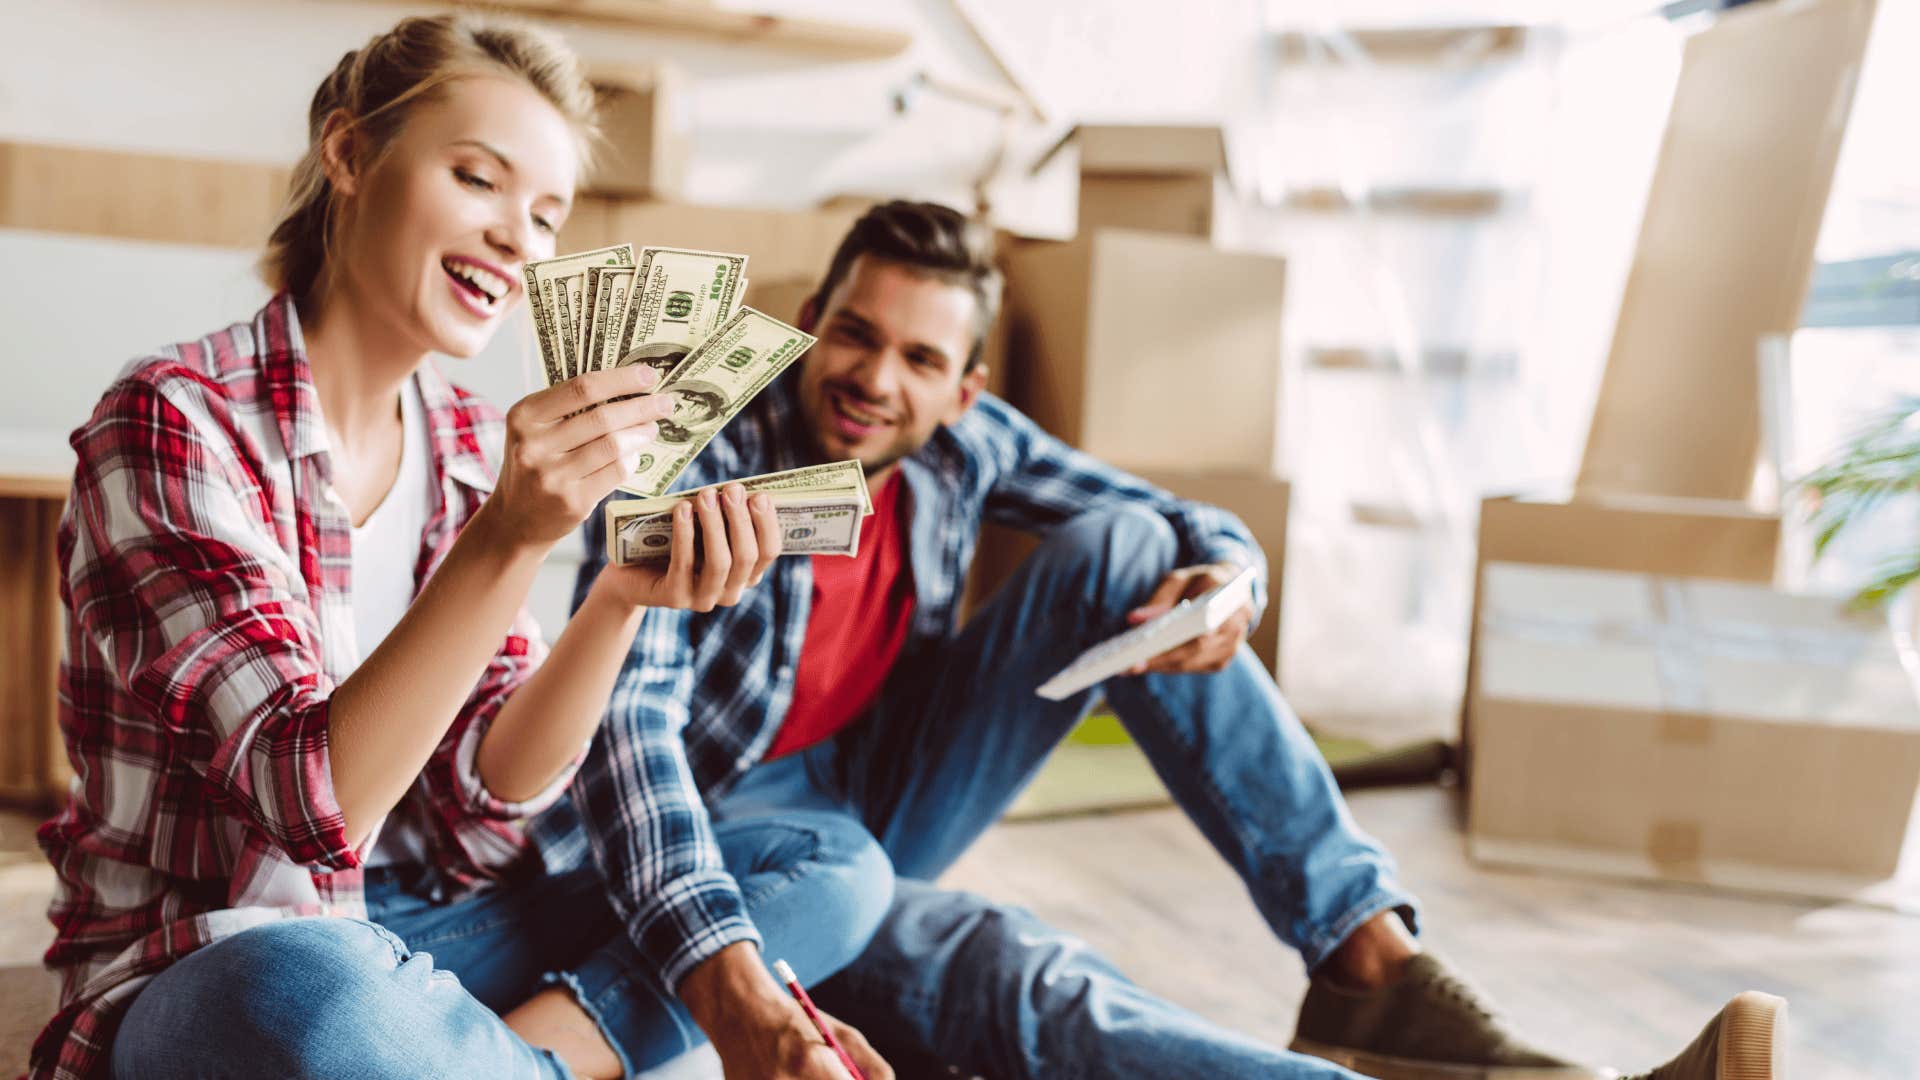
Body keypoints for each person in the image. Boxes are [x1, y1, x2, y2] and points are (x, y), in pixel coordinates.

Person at [555, 200, 1791, 1080]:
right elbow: (630, 744)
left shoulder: (958, 448)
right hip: (744, 832)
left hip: (882, 785)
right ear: (810, 318)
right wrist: (725, 968)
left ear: (966, 387)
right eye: (855, 334)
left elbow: (1164, 518)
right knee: (1018, 972)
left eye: (919, 357)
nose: (874, 376)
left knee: (1136, 553)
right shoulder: (700, 455)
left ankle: (1369, 956)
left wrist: (1232, 581)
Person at [30, 16, 891, 1080]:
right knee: (309, 998)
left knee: (830, 862)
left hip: (421, 925)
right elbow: (317, 813)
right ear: (349, 153)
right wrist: (508, 540)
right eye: (479, 179)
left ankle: (485, 1058)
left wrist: (616, 601)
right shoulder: (170, 420)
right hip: (220, 957)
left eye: (544, 215)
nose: (518, 239)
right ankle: (533, 1058)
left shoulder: (472, 445)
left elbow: (481, 811)